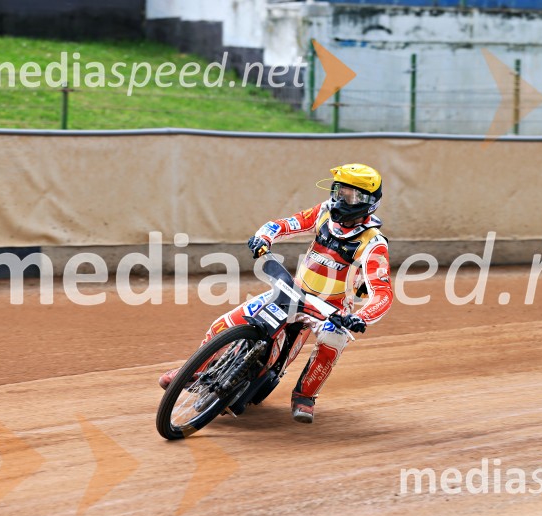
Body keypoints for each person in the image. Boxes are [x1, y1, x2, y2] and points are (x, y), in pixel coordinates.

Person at [159, 163, 393, 424]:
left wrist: (360, 317)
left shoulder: (374, 244)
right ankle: (192, 371)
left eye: (350, 196)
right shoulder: (323, 213)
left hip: (332, 309)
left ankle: (305, 396)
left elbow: (382, 293)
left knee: (334, 340)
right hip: (294, 291)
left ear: (368, 202)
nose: (340, 200)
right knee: (223, 323)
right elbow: (286, 224)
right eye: (339, 191)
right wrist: (264, 237)